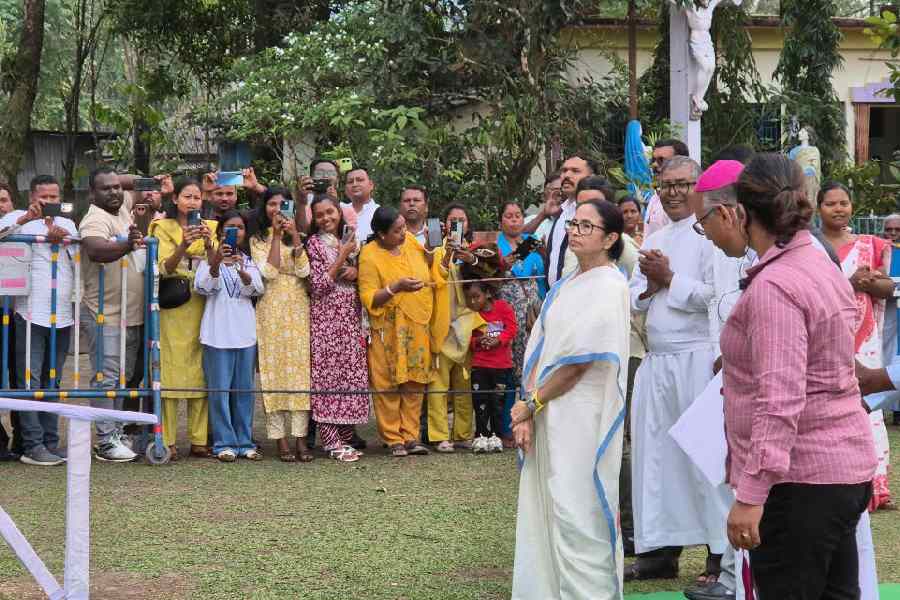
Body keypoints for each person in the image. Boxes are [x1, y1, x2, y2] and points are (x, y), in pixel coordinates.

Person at [721, 153, 876, 598]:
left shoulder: (776, 285)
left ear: (742, 213)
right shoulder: (818, 263)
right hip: (840, 471)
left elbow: (780, 398)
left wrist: (751, 495)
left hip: (800, 482)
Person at [510, 199, 630, 599]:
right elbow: (543, 353)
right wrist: (528, 408)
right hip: (550, 409)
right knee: (550, 506)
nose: (575, 232)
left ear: (611, 238)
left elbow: (578, 364)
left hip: (582, 415)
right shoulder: (568, 282)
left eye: (586, 227)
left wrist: (532, 404)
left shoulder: (610, 285)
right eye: (573, 224)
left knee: (578, 511)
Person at [627, 156, 725, 583]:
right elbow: (633, 297)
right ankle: (659, 550)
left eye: (683, 184)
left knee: (703, 458)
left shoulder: (712, 235)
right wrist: (649, 288)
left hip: (697, 358)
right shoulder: (657, 234)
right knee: (656, 458)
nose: (674, 192)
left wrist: (670, 280)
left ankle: (719, 552)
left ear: (698, 186)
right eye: (666, 185)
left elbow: (718, 296)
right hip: (658, 360)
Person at [818, 182, 894, 511]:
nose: (839, 209)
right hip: (826, 337)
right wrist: (847, 284)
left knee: (868, 403)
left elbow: (889, 288)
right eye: (831, 203)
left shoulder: (871, 245)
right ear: (818, 207)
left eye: (844, 203)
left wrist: (870, 282)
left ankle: (873, 482)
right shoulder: (811, 247)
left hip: (865, 340)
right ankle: (837, 475)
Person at [0, 175, 77, 466]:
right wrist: (25, 223)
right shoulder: (17, 217)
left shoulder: (69, 224)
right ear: (32, 196)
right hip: (29, 312)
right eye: (44, 198)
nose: (49, 203)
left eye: (54, 198)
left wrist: (58, 236)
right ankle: (32, 444)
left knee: (53, 380)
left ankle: (50, 441)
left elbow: (80, 259)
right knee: (28, 379)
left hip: (63, 314)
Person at [358, 206, 444, 457]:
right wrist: (396, 287)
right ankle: (393, 438)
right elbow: (368, 298)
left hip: (416, 324)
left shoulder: (409, 242)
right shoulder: (369, 255)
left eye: (404, 227)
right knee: (387, 384)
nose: (403, 233)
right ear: (382, 234)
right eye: (397, 230)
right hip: (387, 329)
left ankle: (411, 437)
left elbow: (428, 264)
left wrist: (430, 246)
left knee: (415, 382)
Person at [79, 167, 146, 462]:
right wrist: (126, 245)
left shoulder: (123, 206)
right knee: (106, 379)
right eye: (106, 188)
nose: (115, 192)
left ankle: (116, 433)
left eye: (118, 187)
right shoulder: (95, 216)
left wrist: (146, 182)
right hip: (103, 312)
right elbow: (95, 250)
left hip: (129, 312)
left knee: (123, 376)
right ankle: (105, 440)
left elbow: (140, 185)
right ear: (92, 194)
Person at [150, 177, 216, 460]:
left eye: (197, 197)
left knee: (199, 369)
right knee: (172, 369)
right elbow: (163, 268)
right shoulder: (161, 227)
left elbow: (217, 265)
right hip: (174, 303)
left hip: (202, 302)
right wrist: (184, 245)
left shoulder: (211, 227)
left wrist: (209, 245)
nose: (192, 202)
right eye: (187, 196)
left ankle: (199, 440)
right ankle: (168, 439)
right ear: (175, 199)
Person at [251, 186, 314, 463]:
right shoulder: (257, 239)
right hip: (270, 308)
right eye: (272, 204)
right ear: (264, 207)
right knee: (273, 370)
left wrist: (295, 237)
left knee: (300, 371)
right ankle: (281, 440)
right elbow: (269, 271)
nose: (277, 209)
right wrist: (276, 236)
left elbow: (304, 271)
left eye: (282, 204)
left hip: (299, 307)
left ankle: (302, 439)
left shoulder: (298, 237)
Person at [195, 210, 264, 463]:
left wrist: (242, 271)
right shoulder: (208, 260)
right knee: (219, 391)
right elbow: (203, 287)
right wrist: (216, 261)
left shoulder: (249, 260)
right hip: (216, 334)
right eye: (229, 227)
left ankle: (244, 441)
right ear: (221, 232)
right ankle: (224, 442)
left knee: (244, 391)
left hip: (245, 333)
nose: (235, 231)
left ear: (244, 233)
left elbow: (256, 289)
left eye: (240, 227)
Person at [306, 195, 369, 463]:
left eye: (330, 212)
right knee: (327, 377)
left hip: (350, 318)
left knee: (348, 375)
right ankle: (331, 441)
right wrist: (342, 256)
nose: (326, 218)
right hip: (326, 319)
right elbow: (318, 285)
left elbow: (365, 277)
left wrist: (355, 270)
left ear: (339, 212)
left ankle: (344, 436)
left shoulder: (352, 241)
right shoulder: (313, 244)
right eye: (319, 215)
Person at [426, 203, 479, 453]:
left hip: (466, 325)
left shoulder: (474, 251)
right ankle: (438, 435)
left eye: (462, 220)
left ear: (468, 225)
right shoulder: (434, 249)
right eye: (453, 219)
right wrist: (447, 254)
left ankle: (463, 433)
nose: (458, 223)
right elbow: (437, 276)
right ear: (445, 224)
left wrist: (470, 259)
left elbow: (487, 277)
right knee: (438, 384)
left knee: (463, 385)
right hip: (440, 325)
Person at [496, 201, 547, 447]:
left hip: (534, 309)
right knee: (510, 368)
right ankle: (507, 426)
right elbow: (503, 265)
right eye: (509, 216)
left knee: (533, 363)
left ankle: (534, 420)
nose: (514, 220)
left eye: (518, 216)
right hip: (509, 310)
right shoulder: (497, 245)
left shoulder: (533, 240)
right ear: (501, 221)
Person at [524, 154, 598, 287]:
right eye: (564, 171)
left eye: (575, 171)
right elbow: (519, 251)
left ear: (591, 177)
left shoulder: (593, 214)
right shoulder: (557, 216)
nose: (566, 175)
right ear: (544, 193)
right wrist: (543, 215)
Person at [465, 279, 516, 453]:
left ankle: (496, 435)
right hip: (479, 366)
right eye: (470, 298)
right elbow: (467, 339)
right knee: (480, 402)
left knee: (498, 403)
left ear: (487, 294)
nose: (473, 302)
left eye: (476, 297)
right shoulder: (471, 315)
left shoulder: (503, 307)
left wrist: (498, 341)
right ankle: (481, 435)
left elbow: (511, 329)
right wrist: (478, 341)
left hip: (501, 366)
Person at [0, 181, 19, 462]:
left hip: (16, 312)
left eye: (4, 200)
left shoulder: (21, 224)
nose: (0, 206)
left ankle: (24, 438)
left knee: (20, 377)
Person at [644, 139, 690, 238]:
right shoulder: (655, 197)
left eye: (661, 160)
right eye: (654, 160)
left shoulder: (686, 199)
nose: (654, 165)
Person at [341, 166, 379, 243]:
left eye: (360, 180)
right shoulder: (339, 211)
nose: (354, 184)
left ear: (371, 185)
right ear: (345, 189)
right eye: (350, 182)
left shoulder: (379, 212)